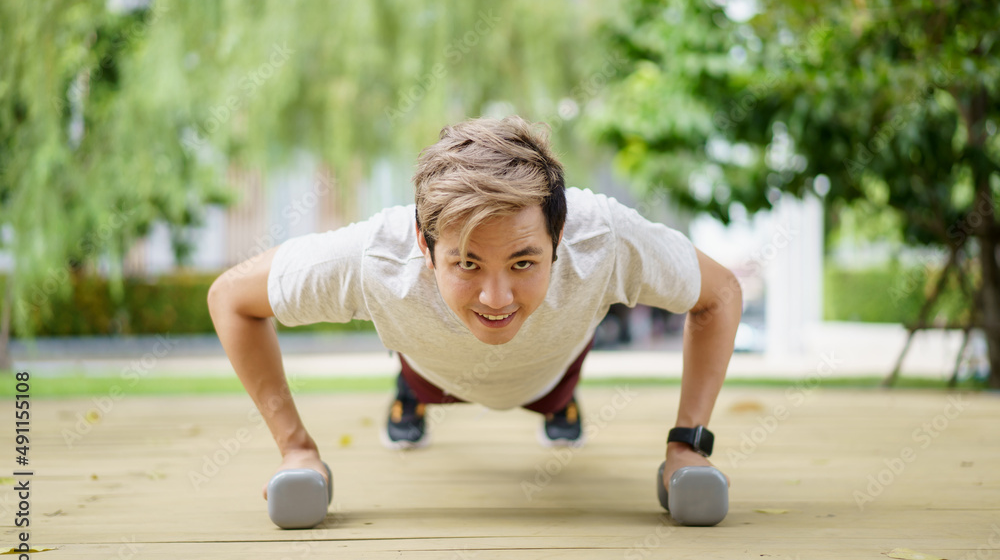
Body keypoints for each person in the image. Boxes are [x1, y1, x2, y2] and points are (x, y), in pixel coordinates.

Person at [207, 116, 742, 504]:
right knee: (419, 380)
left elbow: (719, 294)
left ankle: (563, 404)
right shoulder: (374, 257)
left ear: (560, 235)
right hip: (431, 372)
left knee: (554, 388)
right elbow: (230, 298)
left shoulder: (604, 236)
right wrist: (296, 450)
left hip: (551, 371)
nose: (496, 298)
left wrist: (688, 443)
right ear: (422, 242)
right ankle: (408, 401)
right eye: (466, 262)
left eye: (524, 262)